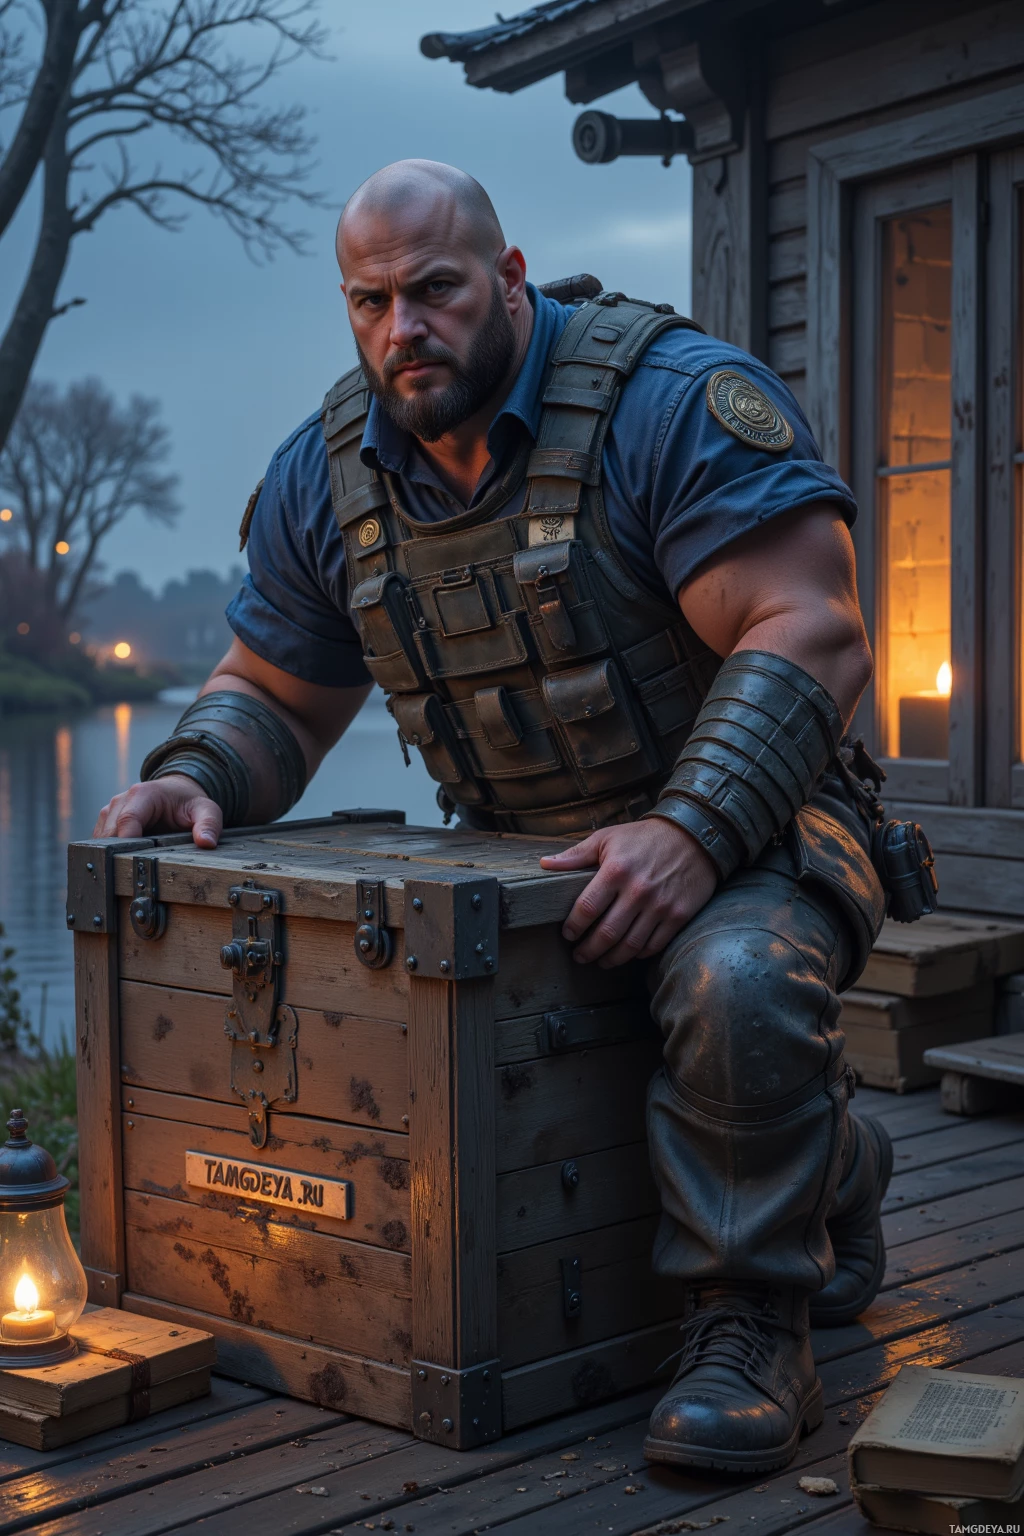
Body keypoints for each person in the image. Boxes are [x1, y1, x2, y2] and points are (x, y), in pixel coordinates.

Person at [94, 159, 908, 1475]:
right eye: (371, 302)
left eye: (435, 290)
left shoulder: (672, 405)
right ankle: (837, 1167)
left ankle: (753, 1326)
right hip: (523, 857)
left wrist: (692, 830)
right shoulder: (331, 473)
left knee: (737, 986)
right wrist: (202, 771)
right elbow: (275, 693)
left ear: (509, 278)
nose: (403, 328)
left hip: (757, 829)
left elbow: (810, 627)